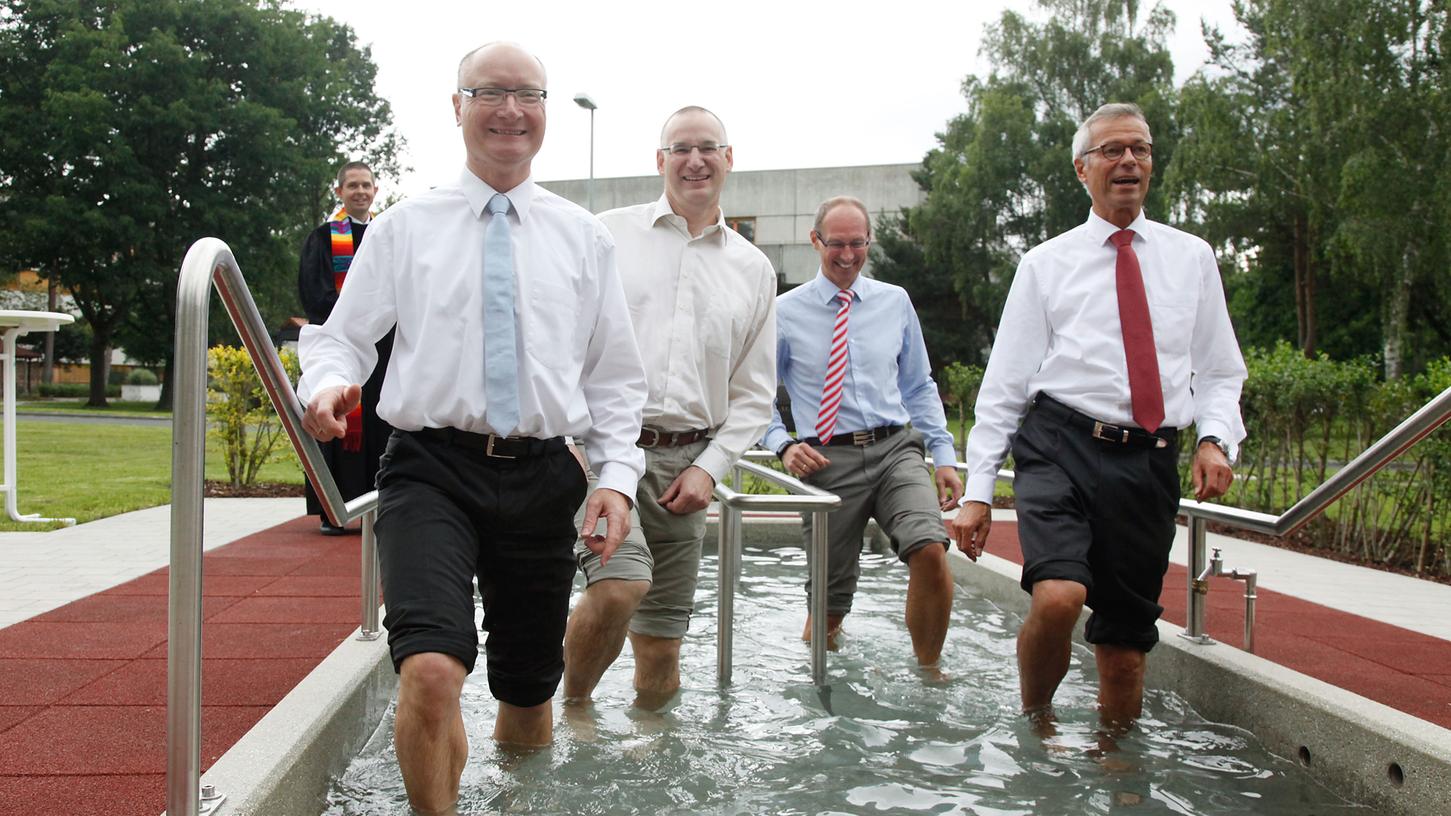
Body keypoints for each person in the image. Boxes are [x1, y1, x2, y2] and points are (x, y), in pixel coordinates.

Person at [297, 42, 647, 816]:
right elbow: (337, 336)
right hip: (430, 468)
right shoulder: (404, 228)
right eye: (489, 92)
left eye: (528, 95)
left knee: (527, 689)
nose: (510, 111)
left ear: (546, 112)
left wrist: (617, 481)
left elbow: (615, 379)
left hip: (541, 474)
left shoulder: (582, 238)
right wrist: (326, 384)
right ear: (456, 107)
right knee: (428, 668)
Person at [950, 102, 1247, 729]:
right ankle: (1037, 727)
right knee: (1058, 597)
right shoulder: (1045, 264)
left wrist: (1216, 438)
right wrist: (978, 494)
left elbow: (1221, 369)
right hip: (1061, 446)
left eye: (1138, 149)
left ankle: (1117, 771)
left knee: (1125, 648)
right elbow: (1004, 387)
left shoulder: (1191, 257)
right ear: (1082, 170)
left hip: (1149, 460)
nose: (1128, 161)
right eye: (1112, 150)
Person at [562, 106, 777, 707]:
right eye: (680, 148)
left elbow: (755, 392)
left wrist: (711, 467)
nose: (695, 159)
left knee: (661, 647)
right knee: (618, 588)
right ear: (660, 162)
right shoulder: (607, 235)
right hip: (605, 453)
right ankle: (574, 712)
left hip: (687, 467)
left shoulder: (753, 269)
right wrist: (571, 443)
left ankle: (652, 768)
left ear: (729, 159)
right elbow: (561, 344)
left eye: (709, 147)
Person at [761, 196, 962, 669]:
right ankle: (822, 701)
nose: (848, 255)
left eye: (858, 244)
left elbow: (918, 384)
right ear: (816, 241)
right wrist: (783, 445)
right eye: (837, 244)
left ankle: (928, 674)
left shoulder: (895, 302)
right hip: (828, 460)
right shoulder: (784, 313)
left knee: (930, 549)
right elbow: (755, 396)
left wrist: (944, 453)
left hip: (895, 448)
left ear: (869, 242)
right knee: (827, 613)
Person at [297, 160, 393, 535]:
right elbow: (313, 292)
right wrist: (352, 318)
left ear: (375, 190)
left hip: (384, 353)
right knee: (339, 424)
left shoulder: (386, 235)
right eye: (352, 185)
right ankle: (336, 511)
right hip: (342, 349)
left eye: (366, 185)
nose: (360, 192)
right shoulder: (323, 239)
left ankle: (381, 506)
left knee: (382, 428)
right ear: (339, 192)